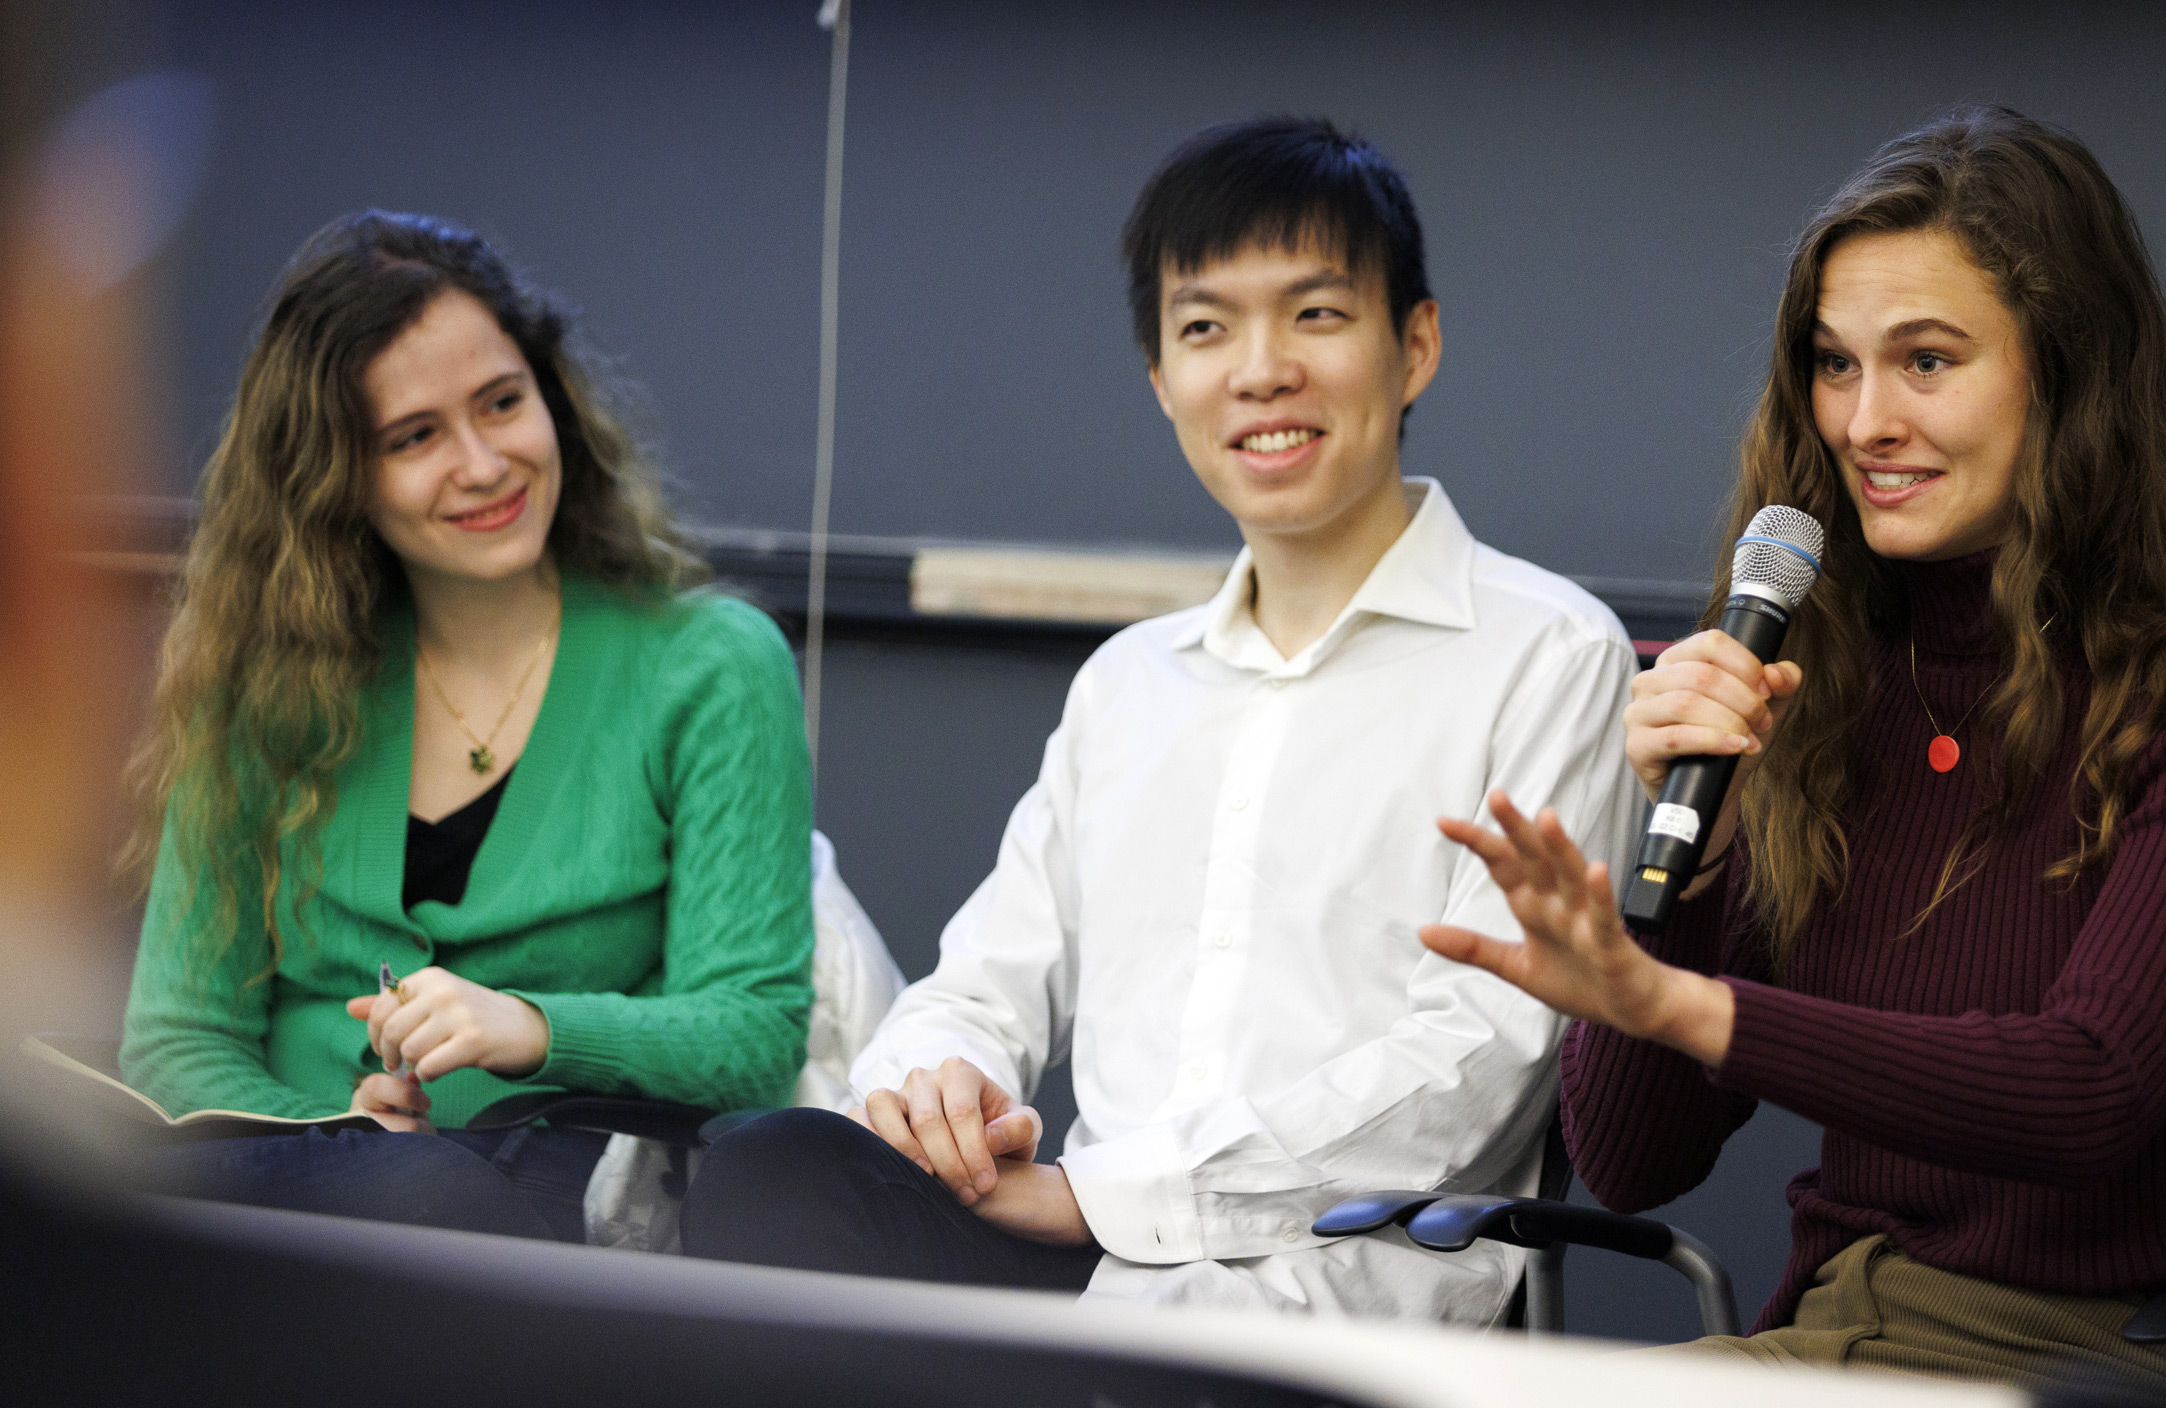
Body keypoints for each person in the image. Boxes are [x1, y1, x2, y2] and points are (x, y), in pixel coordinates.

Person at [1424, 106, 2166, 1408]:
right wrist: (1679, 861)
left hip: (2112, 1381)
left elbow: (2087, 1089)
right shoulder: (1823, 684)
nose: (1865, 419)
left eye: (1927, 361)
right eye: (1834, 363)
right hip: (1837, 1338)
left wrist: (1681, 1008)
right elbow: (1638, 1158)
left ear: (2070, 371)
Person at [682, 117, 1640, 1322]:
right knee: (773, 1169)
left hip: (1330, 1280)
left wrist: (1110, 1197)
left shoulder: (1548, 651)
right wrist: (943, 1095)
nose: (1258, 369)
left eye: (1315, 314)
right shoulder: (1131, 683)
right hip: (1062, 1248)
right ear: (1159, 380)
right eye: (1204, 327)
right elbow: (981, 982)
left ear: (1417, 343)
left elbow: (1479, 1063)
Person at [120, 211, 814, 1241]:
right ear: (333, 476)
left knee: (434, 1200)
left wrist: (532, 1027)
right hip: (275, 1185)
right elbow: (179, 1035)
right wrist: (330, 1130)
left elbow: (751, 1034)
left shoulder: (710, 665)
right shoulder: (260, 682)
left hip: (525, 1189)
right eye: (415, 437)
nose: (485, 463)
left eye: (502, 402)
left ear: (553, 398)